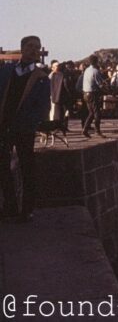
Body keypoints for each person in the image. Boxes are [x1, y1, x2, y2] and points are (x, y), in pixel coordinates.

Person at [0, 36, 51, 222]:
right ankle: (10, 206)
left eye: (37, 48)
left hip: (24, 129)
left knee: (27, 167)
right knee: (3, 167)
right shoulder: (6, 71)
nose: (34, 50)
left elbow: (43, 107)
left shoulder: (42, 78)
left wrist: (32, 124)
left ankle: (27, 209)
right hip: (4, 126)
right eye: (30, 47)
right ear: (22, 49)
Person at [82, 54, 108, 138]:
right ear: (96, 62)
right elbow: (100, 84)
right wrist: (106, 88)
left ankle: (85, 129)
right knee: (97, 113)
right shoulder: (96, 71)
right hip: (93, 94)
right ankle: (97, 131)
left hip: (85, 94)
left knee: (91, 113)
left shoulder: (86, 70)